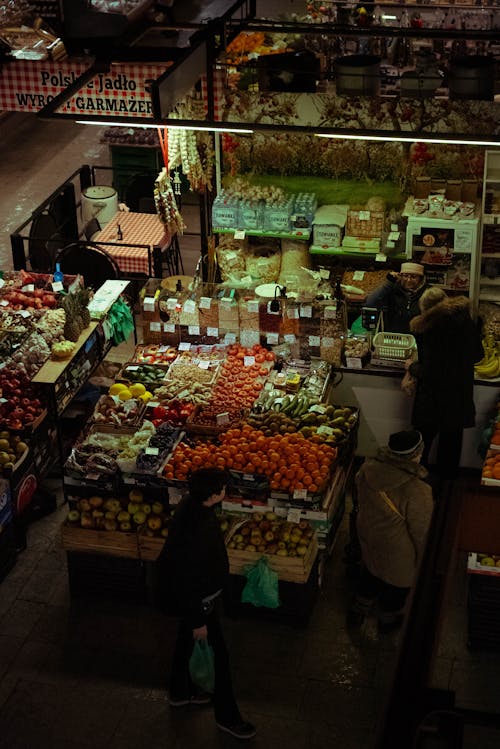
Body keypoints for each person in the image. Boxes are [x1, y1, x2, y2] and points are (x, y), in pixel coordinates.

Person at [158, 468, 256, 741]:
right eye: (223, 487)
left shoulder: (191, 507)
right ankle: (228, 717)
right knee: (220, 659)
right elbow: (187, 576)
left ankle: (180, 692)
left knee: (184, 641)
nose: (226, 490)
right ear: (214, 495)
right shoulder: (197, 529)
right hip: (198, 603)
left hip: (190, 598)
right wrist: (197, 620)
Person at [347, 430, 433, 633]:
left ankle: (359, 609)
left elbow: (358, 494)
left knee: (370, 571)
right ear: (416, 454)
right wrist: (424, 561)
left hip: (368, 533)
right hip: (397, 548)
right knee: (396, 587)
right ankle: (387, 619)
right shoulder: (417, 490)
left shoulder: (368, 467)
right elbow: (421, 531)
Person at [408, 287, 484, 482]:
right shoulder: (466, 322)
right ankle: (447, 489)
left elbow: (432, 372)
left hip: (434, 398)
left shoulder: (431, 330)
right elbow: (478, 355)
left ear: (426, 309)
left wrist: (412, 367)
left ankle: (419, 487)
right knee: (451, 445)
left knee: (421, 444)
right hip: (458, 396)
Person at [365, 261, 429, 333]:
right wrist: (388, 283)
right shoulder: (392, 291)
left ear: (421, 279)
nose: (408, 280)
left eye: (413, 277)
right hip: (392, 338)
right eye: (405, 276)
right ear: (400, 276)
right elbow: (370, 303)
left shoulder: (427, 295)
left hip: (417, 340)